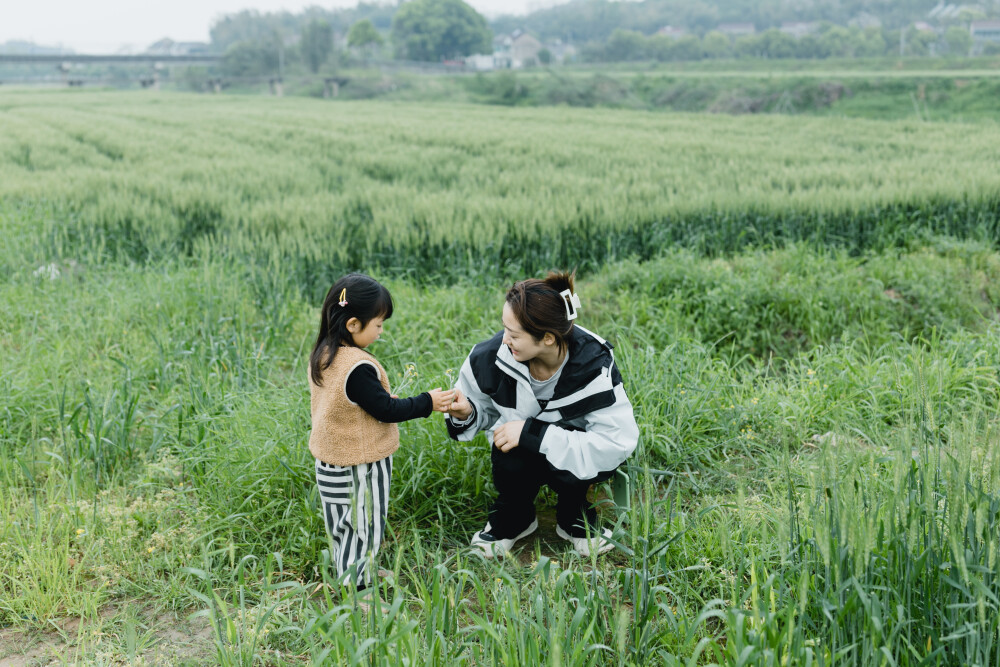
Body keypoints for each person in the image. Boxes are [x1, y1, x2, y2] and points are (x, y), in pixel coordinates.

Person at [446, 271, 639, 558]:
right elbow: (477, 409)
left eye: (513, 335)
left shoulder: (593, 364)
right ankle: (515, 518)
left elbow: (616, 441)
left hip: (571, 453)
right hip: (515, 453)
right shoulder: (487, 357)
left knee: (566, 452)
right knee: (508, 449)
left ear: (548, 338)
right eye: (504, 329)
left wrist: (534, 433)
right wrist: (466, 411)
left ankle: (575, 516)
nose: (504, 340)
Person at [308, 273, 454, 599]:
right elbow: (386, 409)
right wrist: (428, 402)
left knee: (344, 522)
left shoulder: (324, 353)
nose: (381, 331)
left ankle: (358, 569)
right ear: (353, 324)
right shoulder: (356, 367)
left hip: (330, 460)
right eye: (378, 324)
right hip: (361, 462)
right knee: (366, 524)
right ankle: (358, 590)